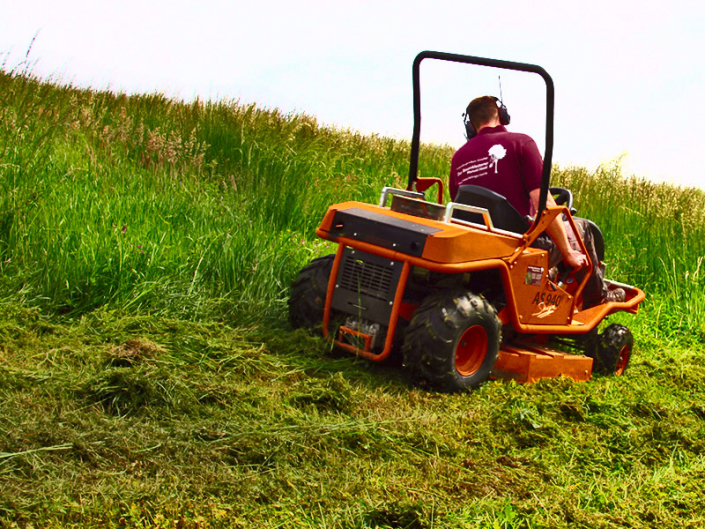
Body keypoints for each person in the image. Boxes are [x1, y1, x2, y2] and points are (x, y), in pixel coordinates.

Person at [449, 96, 624, 306]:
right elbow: (544, 203)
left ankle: (548, 283)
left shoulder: (459, 157)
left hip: (477, 246)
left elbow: (458, 203)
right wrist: (568, 254)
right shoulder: (521, 143)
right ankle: (598, 298)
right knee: (583, 228)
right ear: (502, 115)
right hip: (518, 250)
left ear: (470, 125)